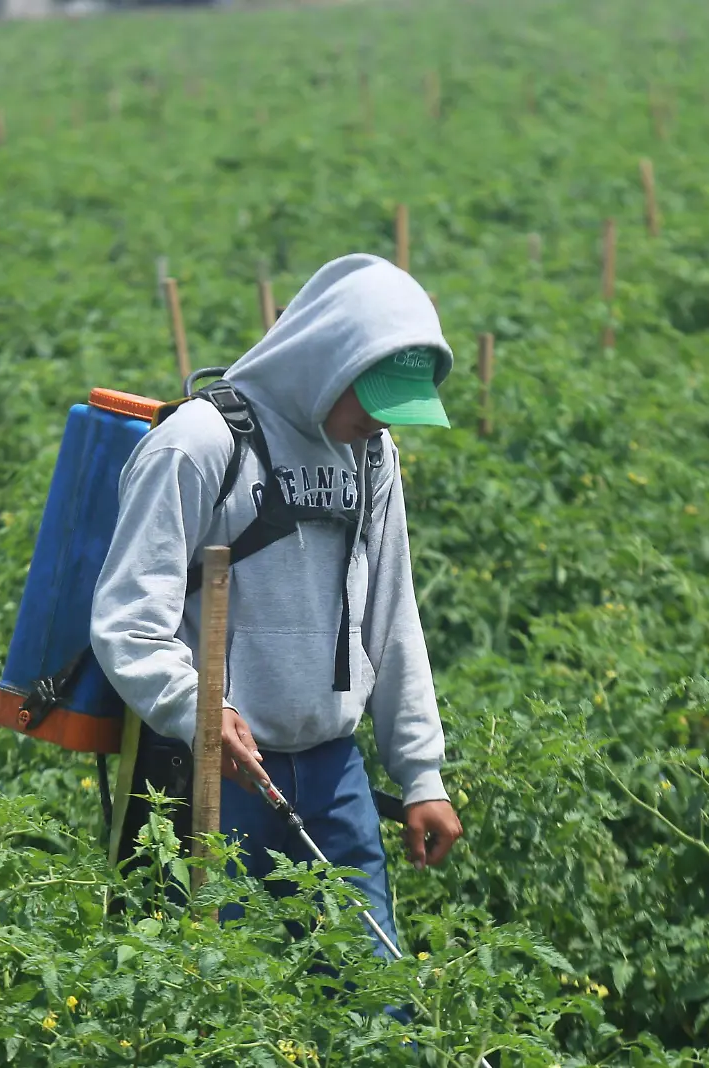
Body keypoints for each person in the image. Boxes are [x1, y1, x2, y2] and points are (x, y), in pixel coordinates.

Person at [91, 253, 463, 959]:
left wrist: (421, 776)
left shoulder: (374, 458)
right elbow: (128, 621)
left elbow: (392, 615)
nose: (382, 422)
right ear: (329, 361)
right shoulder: (200, 444)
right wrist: (196, 708)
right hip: (210, 771)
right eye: (373, 399)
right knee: (216, 1003)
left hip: (333, 773)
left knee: (370, 1002)